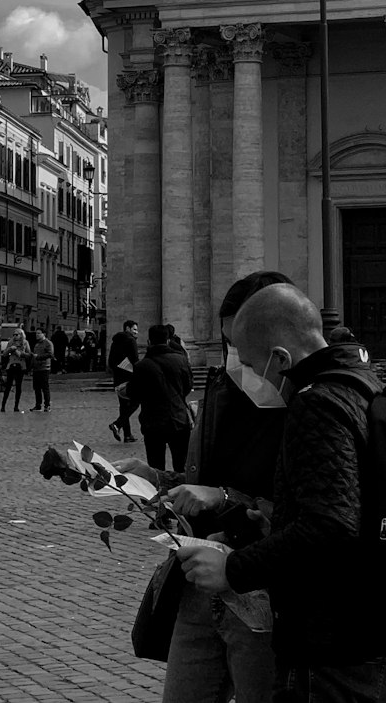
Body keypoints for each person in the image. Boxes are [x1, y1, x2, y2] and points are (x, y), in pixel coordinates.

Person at [175, 283, 386, 703]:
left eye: (250, 364)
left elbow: (330, 528)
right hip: (383, 632)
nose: (247, 374)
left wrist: (233, 568)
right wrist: (279, 521)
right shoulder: (364, 384)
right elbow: (354, 508)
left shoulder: (315, 403)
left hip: (335, 643)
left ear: (280, 359)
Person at [121, 270, 294, 703]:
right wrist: (156, 478)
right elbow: (201, 482)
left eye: (243, 346)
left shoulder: (309, 403)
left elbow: (317, 510)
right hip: (198, 582)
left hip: (261, 586)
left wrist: (226, 498)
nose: (238, 358)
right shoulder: (221, 389)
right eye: (228, 345)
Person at [125, 324, 193, 471]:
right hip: (179, 419)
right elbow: (188, 386)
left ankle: (160, 493)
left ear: (149, 342)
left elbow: (133, 393)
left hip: (153, 422)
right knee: (182, 467)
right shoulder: (181, 360)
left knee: (156, 468)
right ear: (168, 341)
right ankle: (180, 492)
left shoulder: (142, 366)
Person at [108, 319, 140, 443]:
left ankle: (127, 435)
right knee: (136, 402)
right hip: (129, 378)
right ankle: (117, 424)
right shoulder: (131, 341)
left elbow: (111, 361)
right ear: (127, 328)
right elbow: (135, 360)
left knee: (123, 406)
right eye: (134, 329)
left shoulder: (115, 341)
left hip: (118, 378)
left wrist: (118, 369)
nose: (137, 332)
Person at [0, 328, 30, 412]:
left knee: (18, 386)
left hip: (21, 366)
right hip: (11, 365)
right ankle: (3, 406)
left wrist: (19, 352)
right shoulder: (10, 342)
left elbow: (28, 355)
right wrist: (10, 349)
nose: (15, 336)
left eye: (17, 334)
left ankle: (16, 406)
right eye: (14, 334)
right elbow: (4, 354)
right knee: (8, 386)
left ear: (21, 335)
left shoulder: (25, 343)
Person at [30, 329, 53, 412]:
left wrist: (39, 357)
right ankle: (38, 404)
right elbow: (34, 356)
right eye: (36, 333)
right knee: (36, 388)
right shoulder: (36, 344)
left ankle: (47, 405)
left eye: (39, 333)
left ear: (44, 334)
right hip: (36, 369)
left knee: (45, 387)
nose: (37, 335)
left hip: (44, 368)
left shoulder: (48, 343)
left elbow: (50, 354)